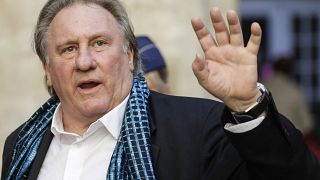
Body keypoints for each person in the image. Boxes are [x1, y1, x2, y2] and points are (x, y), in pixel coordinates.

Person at [1, 0, 319, 179]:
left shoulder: (198, 129)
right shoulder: (20, 145)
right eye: (68, 49)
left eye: (99, 43)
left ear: (129, 56)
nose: (85, 61)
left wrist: (247, 105)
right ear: (47, 67)